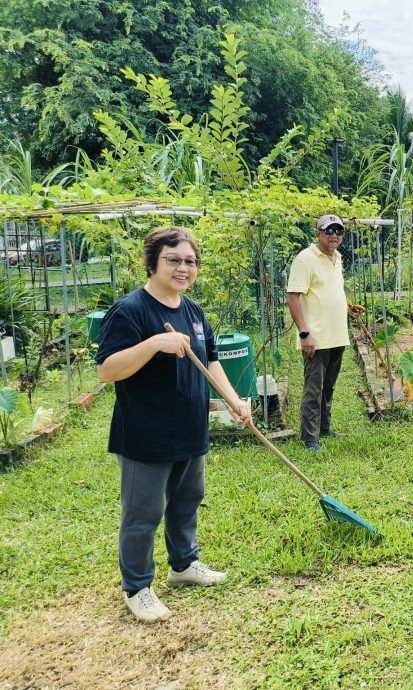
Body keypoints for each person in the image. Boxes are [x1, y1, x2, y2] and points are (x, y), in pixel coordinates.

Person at [96, 226, 253, 624]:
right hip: (146, 434)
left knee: (187, 501)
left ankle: (184, 565)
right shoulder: (130, 310)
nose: (184, 268)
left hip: (189, 427)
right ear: (152, 263)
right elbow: (107, 370)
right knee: (143, 513)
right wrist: (153, 344)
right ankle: (137, 588)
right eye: (174, 260)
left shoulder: (193, 311)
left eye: (190, 261)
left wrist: (234, 399)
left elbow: (211, 359)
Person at [286, 214, 363, 452]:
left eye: (338, 231)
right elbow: (292, 297)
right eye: (328, 230)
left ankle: (324, 428)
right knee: (314, 388)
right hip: (316, 338)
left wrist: (348, 308)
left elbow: (331, 291)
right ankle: (310, 438)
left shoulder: (337, 258)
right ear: (318, 233)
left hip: (337, 335)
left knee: (328, 386)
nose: (334, 235)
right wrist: (304, 333)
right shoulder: (305, 259)